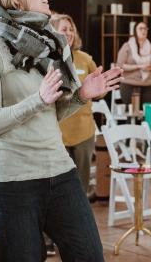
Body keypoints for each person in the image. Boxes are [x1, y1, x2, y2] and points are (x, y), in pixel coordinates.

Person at [0, 0, 121, 261]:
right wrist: (37, 100)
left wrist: (81, 95)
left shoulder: (49, 44)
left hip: (59, 170)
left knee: (89, 255)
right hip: (13, 179)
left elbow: (50, 114)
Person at [50, 13, 98, 194]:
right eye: (64, 29)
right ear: (53, 31)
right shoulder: (46, 59)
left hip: (83, 131)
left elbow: (100, 89)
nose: (69, 33)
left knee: (81, 187)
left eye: (71, 29)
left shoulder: (85, 59)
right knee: (59, 187)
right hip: (56, 132)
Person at [116, 21, 151, 105]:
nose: (143, 31)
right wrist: (139, 66)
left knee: (149, 112)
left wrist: (150, 68)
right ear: (135, 31)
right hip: (129, 84)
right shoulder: (127, 46)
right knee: (132, 112)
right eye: (140, 28)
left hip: (149, 85)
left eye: (145, 28)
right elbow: (120, 66)